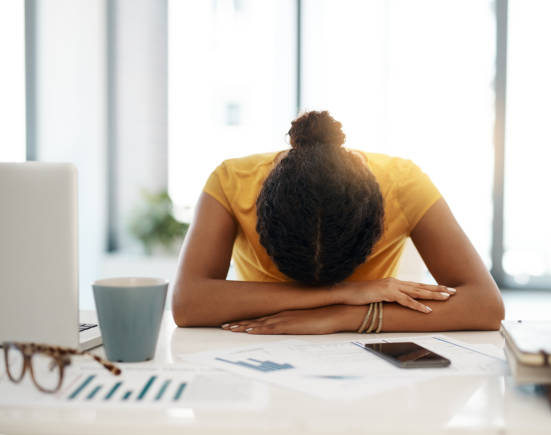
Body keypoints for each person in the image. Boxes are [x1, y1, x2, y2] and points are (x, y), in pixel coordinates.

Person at [172, 110, 504, 334]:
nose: (321, 291)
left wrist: (341, 316)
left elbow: (485, 305)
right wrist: (347, 292)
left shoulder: (403, 183)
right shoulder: (232, 180)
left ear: (377, 218)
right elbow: (188, 303)